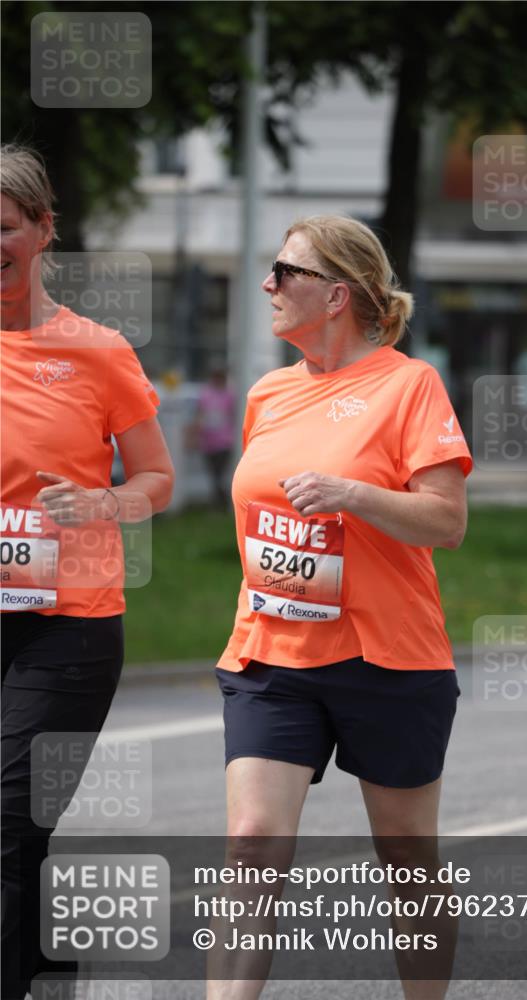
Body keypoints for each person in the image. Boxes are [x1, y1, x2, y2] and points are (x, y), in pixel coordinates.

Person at [211, 216, 472, 999]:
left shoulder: (408, 385)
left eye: (284, 271)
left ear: (337, 295)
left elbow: (446, 522)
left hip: (387, 658)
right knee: (252, 841)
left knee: (404, 855)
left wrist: (352, 496)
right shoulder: (268, 394)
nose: (269, 285)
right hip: (271, 653)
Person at [0, 144, 175, 999]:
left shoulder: (97, 352)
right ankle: (48, 970)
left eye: (2, 227)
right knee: (19, 834)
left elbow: (157, 479)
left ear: (41, 230)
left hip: (65, 627)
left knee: (2, 819)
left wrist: (107, 504)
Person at [193, 363, 237, 506]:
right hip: (209, 440)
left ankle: (221, 501)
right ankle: (219, 501)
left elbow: (233, 415)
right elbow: (200, 414)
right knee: (213, 474)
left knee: (220, 474)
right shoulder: (206, 394)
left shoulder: (229, 394)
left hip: (225, 440)